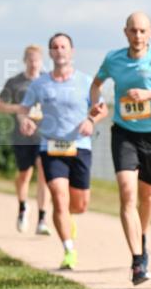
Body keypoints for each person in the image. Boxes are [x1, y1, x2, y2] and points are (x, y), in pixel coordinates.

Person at [91, 12, 151, 285]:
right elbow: (96, 84)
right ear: (125, 32)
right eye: (133, 31)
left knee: (147, 198)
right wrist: (95, 103)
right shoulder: (113, 59)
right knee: (127, 193)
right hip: (124, 134)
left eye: (142, 31)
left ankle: (141, 238)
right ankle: (137, 261)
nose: (137, 36)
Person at [18, 33, 106, 270]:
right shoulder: (40, 84)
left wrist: (91, 121)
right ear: (50, 53)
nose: (59, 51)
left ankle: (69, 221)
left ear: (72, 51)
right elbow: (23, 108)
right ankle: (69, 250)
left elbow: (102, 109)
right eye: (55, 47)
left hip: (80, 147)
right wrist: (24, 120)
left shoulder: (86, 82)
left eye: (63, 47)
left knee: (79, 205)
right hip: (51, 146)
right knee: (58, 196)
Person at [0, 45, 52, 234]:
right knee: (24, 175)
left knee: (44, 171)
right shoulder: (14, 82)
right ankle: (23, 207)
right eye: (30, 59)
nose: (33, 62)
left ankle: (42, 218)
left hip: (43, 135)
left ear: (41, 60)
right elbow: (0, 105)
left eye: (36, 59)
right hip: (21, 136)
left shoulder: (48, 81)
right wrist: (20, 109)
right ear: (25, 60)